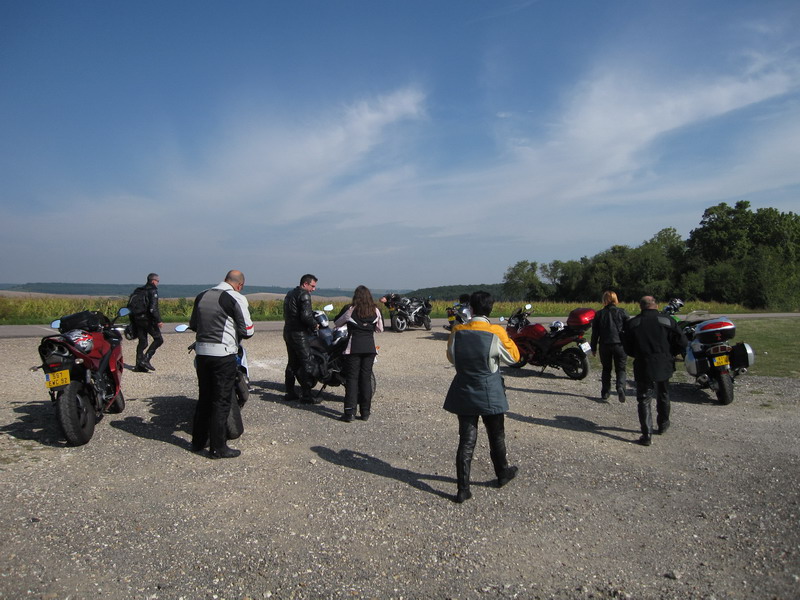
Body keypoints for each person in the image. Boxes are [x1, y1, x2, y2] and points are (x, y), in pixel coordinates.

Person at [443, 290, 521, 503]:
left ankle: (463, 488)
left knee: (466, 439)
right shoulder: (496, 332)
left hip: (464, 389)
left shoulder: (457, 330)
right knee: (496, 435)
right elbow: (514, 357)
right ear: (490, 308)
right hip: (490, 390)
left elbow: (451, 357)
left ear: (471, 308)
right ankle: (502, 473)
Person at [188, 270, 254, 459]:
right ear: (240, 285)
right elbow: (248, 331)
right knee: (221, 400)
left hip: (202, 353)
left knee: (204, 397)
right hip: (223, 354)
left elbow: (194, 324)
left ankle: (198, 441)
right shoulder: (235, 298)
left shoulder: (202, 295)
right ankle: (218, 447)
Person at [622, 295, 688, 447]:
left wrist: (638, 354)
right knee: (663, 393)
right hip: (664, 362)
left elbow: (627, 347)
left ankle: (646, 435)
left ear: (641, 306)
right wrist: (671, 353)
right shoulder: (667, 320)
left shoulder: (633, 323)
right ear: (656, 305)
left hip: (643, 363)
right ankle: (663, 424)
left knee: (644, 399)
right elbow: (683, 342)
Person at [334, 285, 384, 422]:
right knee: (366, 379)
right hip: (370, 348)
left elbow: (337, 322)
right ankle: (365, 413)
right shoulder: (375, 310)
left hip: (353, 348)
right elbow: (380, 329)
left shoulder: (351, 309)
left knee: (352, 379)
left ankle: (349, 413)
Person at [283, 274, 319, 404]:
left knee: (292, 362)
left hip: (288, 331)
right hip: (299, 333)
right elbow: (306, 316)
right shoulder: (304, 295)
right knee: (307, 363)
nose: (313, 289)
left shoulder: (290, 293)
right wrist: (315, 324)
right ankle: (307, 395)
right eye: (312, 286)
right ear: (305, 284)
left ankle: (290, 392)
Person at [590, 291, 629, 402]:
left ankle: (605, 392)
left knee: (606, 369)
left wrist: (593, 348)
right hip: (620, 345)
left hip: (605, 344)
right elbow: (628, 329)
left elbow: (595, 333)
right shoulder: (622, 312)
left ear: (604, 300)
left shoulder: (599, 314)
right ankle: (620, 386)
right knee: (621, 369)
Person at [129, 273, 163, 372]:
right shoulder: (152, 290)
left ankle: (139, 365)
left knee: (142, 342)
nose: (157, 283)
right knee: (158, 339)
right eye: (157, 281)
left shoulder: (139, 290)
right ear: (153, 281)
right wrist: (158, 320)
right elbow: (153, 308)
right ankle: (146, 359)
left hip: (138, 319)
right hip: (148, 320)